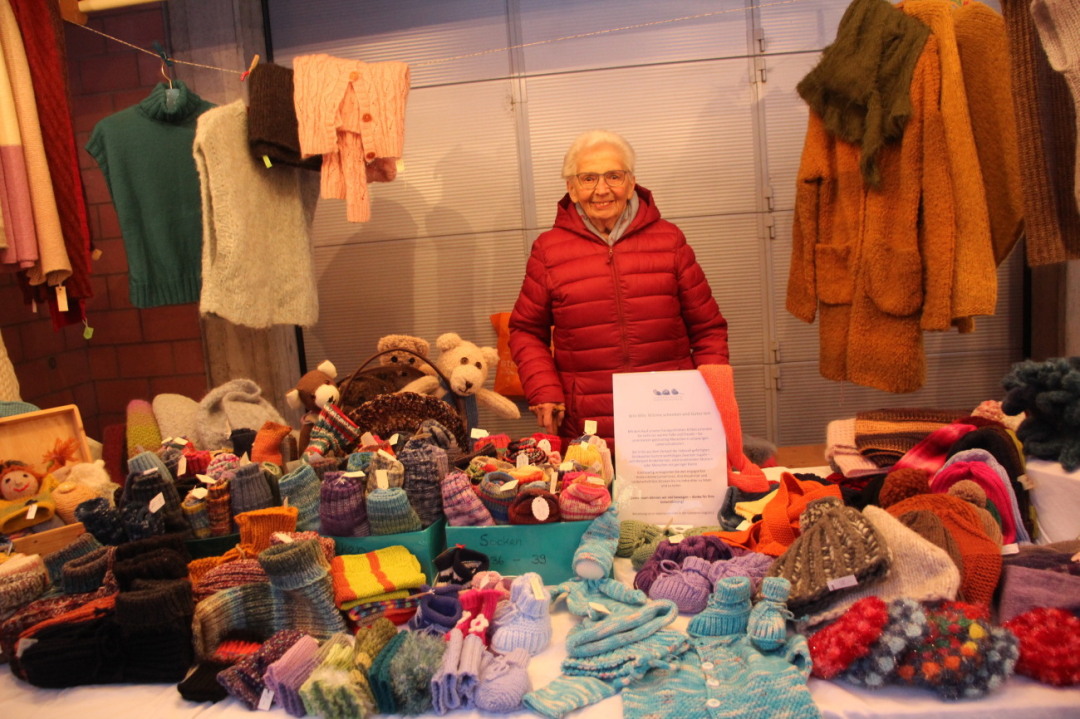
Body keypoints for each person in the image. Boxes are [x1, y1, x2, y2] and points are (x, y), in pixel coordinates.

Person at [509, 129, 729, 449]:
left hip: (671, 417)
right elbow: (526, 330)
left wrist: (712, 390)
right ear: (571, 188)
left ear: (630, 183)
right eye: (588, 178)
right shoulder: (548, 251)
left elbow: (709, 328)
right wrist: (544, 389)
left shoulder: (669, 241)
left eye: (614, 176)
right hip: (587, 423)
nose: (602, 190)